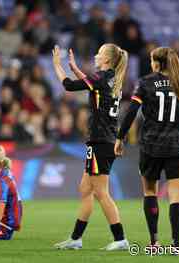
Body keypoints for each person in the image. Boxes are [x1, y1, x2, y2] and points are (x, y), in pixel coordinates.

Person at [115, 47, 179, 250]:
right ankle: (176, 244)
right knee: (176, 196)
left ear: (156, 63)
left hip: (150, 146)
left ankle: (154, 242)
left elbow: (131, 112)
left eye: (152, 60)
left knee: (150, 192)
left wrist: (120, 137)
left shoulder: (145, 83)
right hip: (176, 146)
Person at [52, 44, 129, 250]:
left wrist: (57, 66)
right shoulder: (111, 78)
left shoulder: (101, 77)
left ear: (107, 59)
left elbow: (69, 86)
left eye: (100, 52)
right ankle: (76, 239)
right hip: (104, 140)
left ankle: (120, 239)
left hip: (100, 141)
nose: (96, 54)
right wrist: (76, 68)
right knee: (85, 189)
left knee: (101, 192)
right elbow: (92, 84)